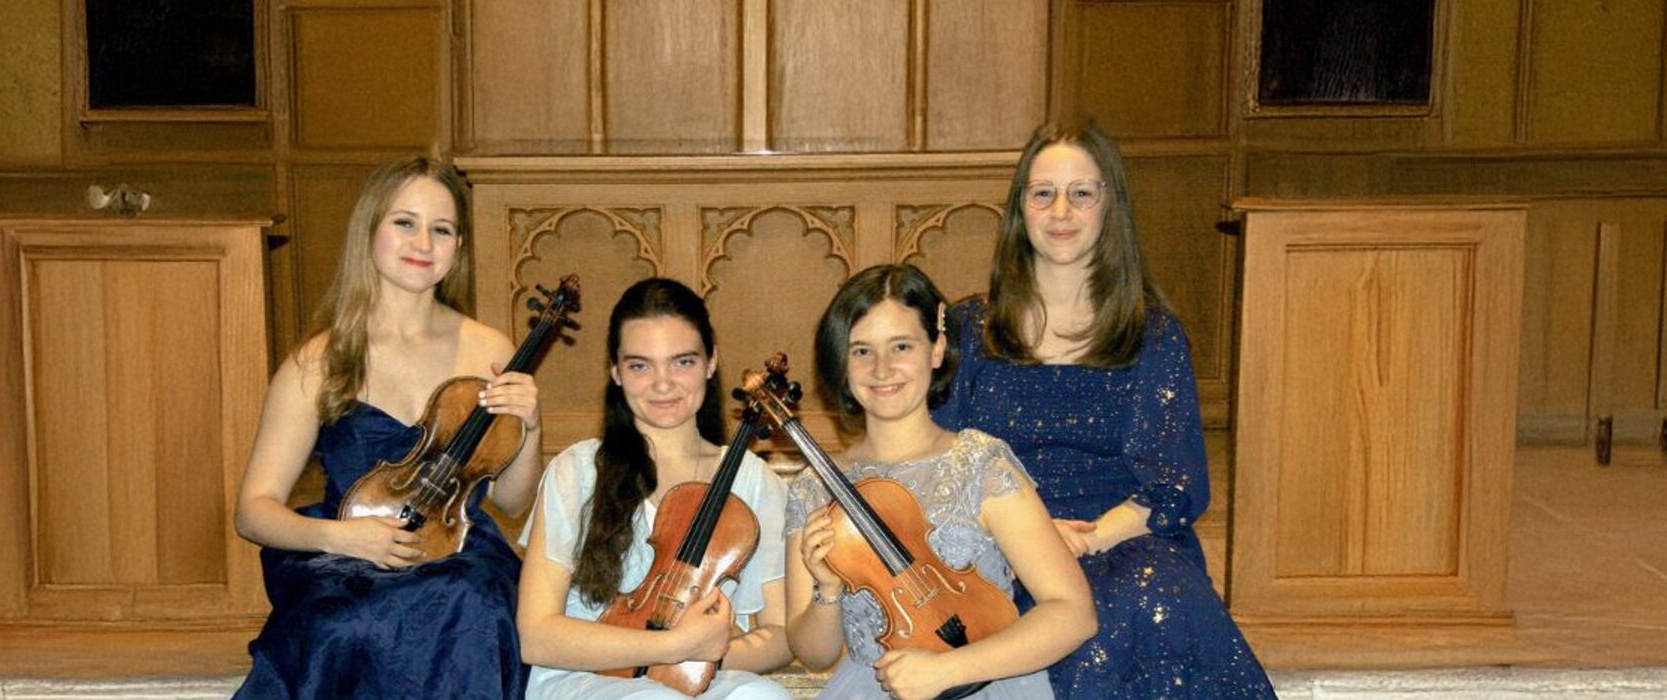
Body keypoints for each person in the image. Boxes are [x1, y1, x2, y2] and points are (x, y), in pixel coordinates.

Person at [931, 122, 1275, 698]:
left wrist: (1081, 542)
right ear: (1020, 209)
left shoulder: (1153, 334)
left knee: (1150, 599)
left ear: (1109, 206)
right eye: (1043, 193)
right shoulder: (969, 328)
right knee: (1059, 621)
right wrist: (1030, 539)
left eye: (1082, 193)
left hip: (1121, 537)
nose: (1061, 211)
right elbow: (936, 465)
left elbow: (1173, 486)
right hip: (1000, 546)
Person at [231, 157, 542, 699]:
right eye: (405, 222)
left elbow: (512, 501)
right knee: (344, 625)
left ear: (458, 246)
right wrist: (341, 538)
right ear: (370, 229)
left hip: (459, 554)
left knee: (475, 604)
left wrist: (531, 427)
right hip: (344, 555)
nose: (423, 242)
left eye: (441, 230)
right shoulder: (319, 361)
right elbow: (253, 510)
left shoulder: (489, 349)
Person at [785, 264, 1097, 700]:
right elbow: (814, 654)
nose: (881, 368)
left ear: (937, 349)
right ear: (841, 362)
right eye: (861, 351)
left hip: (986, 682)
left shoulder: (980, 464)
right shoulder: (813, 488)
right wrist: (828, 588)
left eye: (901, 346)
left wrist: (947, 669)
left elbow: (1074, 613)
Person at [517, 278, 794, 700]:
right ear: (615, 371)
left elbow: (779, 634)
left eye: (682, 362)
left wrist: (701, 655)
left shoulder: (754, 481)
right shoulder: (576, 470)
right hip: (583, 677)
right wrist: (673, 646)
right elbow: (537, 636)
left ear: (711, 362)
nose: (663, 384)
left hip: (700, 675)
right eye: (640, 366)